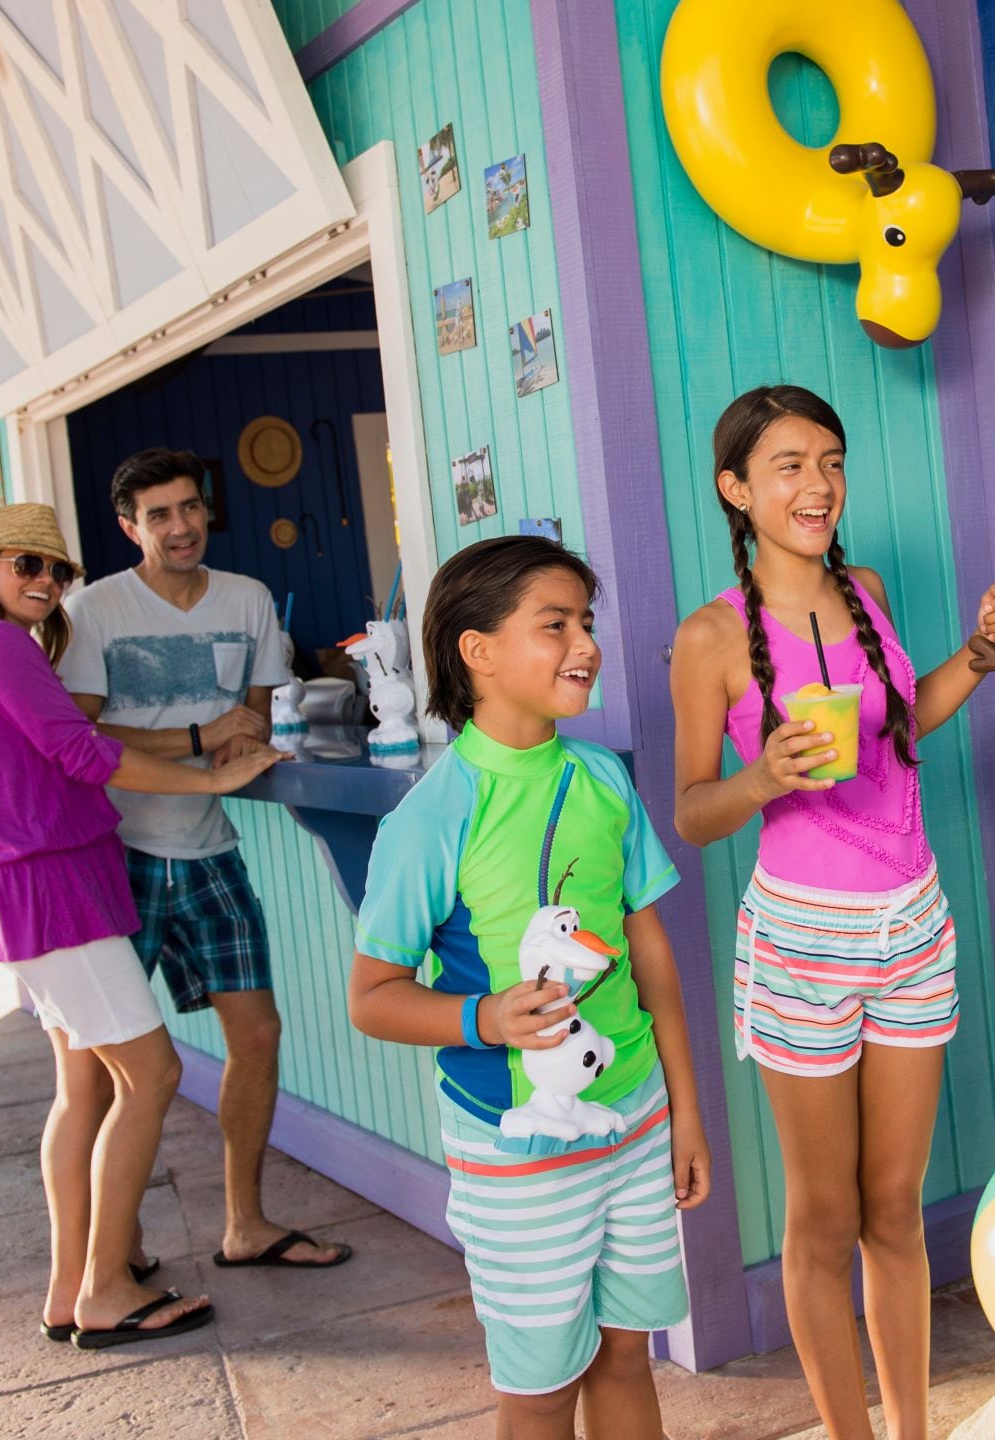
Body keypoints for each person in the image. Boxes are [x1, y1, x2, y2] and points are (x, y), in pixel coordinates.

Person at [666, 384, 995, 1440]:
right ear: (736, 489)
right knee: (825, 1220)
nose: (818, 484)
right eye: (788, 465)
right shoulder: (711, 637)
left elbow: (903, 722)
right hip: (802, 944)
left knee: (893, 1210)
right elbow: (691, 813)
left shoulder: (864, 591)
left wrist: (983, 650)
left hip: (911, 925)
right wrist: (762, 778)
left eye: (830, 461)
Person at [347, 536, 711, 1440]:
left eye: (586, 622)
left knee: (628, 1356)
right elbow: (373, 996)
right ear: (477, 650)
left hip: (637, 1119)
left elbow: (650, 955)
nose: (586, 644)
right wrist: (486, 1019)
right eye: (556, 625)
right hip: (516, 1153)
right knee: (543, 1387)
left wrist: (685, 1112)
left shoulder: (603, 778)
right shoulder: (431, 817)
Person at [0, 502, 279, 1348]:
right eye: (26, 565)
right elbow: (84, 753)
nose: (45, 582)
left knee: (82, 1089)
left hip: (30, 890)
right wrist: (212, 782)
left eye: (56, 571)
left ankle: (68, 1288)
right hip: (55, 891)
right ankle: (108, 1289)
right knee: (151, 1076)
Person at [58, 448, 352, 1272]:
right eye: (159, 515)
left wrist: (238, 740)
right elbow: (79, 737)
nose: (181, 526)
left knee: (256, 1034)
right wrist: (199, 736)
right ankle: (110, 1252)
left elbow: (253, 719)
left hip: (209, 851)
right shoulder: (94, 610)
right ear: (130, 528)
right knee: (100, 1065)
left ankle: (245, 1225)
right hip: (115, 856)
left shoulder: (246, 599)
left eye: (190, 507)